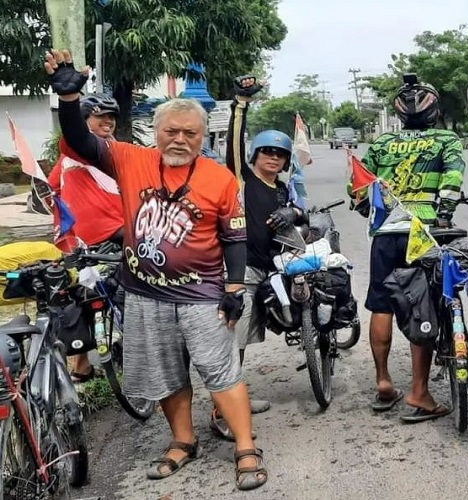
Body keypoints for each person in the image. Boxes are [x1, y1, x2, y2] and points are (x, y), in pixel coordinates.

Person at [44, 49, 267, 491]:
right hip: (145, 293)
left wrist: (235, 288)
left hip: (202, 293)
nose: (179, 139)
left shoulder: (219, 177)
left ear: (202, 137)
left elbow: (234, 237)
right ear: (157, 133)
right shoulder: (130, 159)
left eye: (189, 132)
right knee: (166, 374)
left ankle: (245, 447)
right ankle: (183, 441)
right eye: (170, 131)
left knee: (221, 372)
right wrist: (70, 100)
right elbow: (83, 143)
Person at [348, 73, 465, 422]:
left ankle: (383, 381)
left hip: (386, 232)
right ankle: (419, 392)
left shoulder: (383, 143)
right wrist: (443, 216)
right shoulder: (446, 140)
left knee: (381, 305)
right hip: (423, 233)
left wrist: (373, 212)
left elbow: (357, 186)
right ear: (434, 112)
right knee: (421, 307)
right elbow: (452, 183)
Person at [205, 74, 306, 440]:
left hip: (269, 272)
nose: (273, 159)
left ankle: (236, 399)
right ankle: (221, 413)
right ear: (254, 156)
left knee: (245, 342)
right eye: (267, 152)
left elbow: (303, 214)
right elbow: (234, 140)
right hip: (241, 271)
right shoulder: (241, 180)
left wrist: (292, 214)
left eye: (280, 154)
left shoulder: (282, 190)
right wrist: (241, 104)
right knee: (233, 343)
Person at [47, 93, 125, 384]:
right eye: (100, 116)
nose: (108, 121)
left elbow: (52, 185)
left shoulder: (113, 148)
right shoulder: (78, 148)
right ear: (83, 122)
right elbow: (53, 186)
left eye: (111, 116)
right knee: (80, 298)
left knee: (93, 294)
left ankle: (86, 363)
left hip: (114, 230)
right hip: (90, 238)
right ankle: (81, 362)